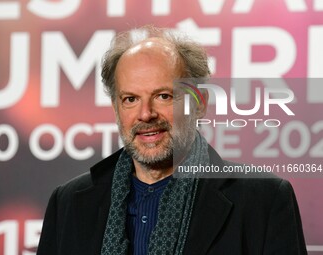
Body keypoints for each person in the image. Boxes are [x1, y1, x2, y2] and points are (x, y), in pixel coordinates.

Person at [37, 26, 307, 255]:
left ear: (199, 103)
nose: (146, 114)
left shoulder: (264, 200)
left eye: (164, 96)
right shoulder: (69, 203)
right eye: (130, 99)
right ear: (116, 107)